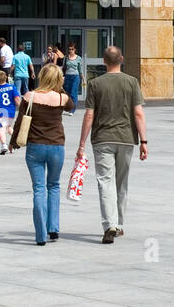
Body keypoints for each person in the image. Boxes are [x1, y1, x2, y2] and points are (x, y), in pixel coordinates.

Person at [75, 45, 147, 244]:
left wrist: (81, 145)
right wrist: (144, 141)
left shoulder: (95, 84)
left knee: (105, 182)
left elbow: (89, 114)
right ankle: (120, 224)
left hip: (102, 139)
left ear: (104, 61)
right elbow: (139, 113)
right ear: (121, 59)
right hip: (125, 139)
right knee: (121, 183)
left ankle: (110, 225)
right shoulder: (132, 82)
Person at [13, 64, 75, 245]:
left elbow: (19, 121)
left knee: (39, 188)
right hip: (56, 147)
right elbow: (71, 106)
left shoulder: (29, 96)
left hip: (35, 147)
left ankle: (40, 235)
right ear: (58, 79)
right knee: (54, 186)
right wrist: (59, 87)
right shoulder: (62, 98)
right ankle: (53, 229)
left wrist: (13, 143)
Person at [0, 67, 21, 154]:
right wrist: (21, 107)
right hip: (11, 111)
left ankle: (4, 145)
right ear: (6, 77)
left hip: (1, 110)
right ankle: (16, 140)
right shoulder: (12, 87)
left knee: (2, 128)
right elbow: (17, 99)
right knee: (8, 127)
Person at [63, 43, 82, 109]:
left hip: (75, 77)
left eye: (72, 49)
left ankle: (72, 109)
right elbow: (64, 67)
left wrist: (83, 78)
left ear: (75, 49)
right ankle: (68, 107)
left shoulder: (78, 58)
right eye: (69, 49)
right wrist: (63, 76)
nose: (71, 50)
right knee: (67, 93)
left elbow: (80, 69)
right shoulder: (66, 57)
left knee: (73, 92)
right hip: (68, 76)